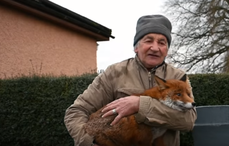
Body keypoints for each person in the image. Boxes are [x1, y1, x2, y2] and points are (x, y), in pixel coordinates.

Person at [64, 14, 197, 146]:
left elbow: (188, 121)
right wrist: (87, 142)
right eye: (148, 40)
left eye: (162, 43)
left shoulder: (178, 77)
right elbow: (76, 112)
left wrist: (140, 105)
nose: (155, 48)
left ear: (166, 50)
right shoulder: (114, 73)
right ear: (136, 47)